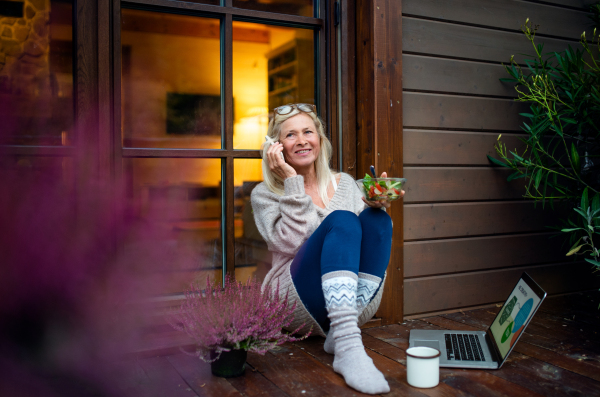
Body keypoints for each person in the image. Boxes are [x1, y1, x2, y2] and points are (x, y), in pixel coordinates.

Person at [250, 103, 404, 394]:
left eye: (308, 131)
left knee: (378, 220)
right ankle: (348, 345)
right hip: (295, 299)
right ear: (276, 146)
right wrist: (292, 184)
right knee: (343, 220)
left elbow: (361, 246)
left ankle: (341, 334)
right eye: (291, 135)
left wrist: (374, 205)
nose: (302, 140)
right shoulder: (265, 194)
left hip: (350, 301)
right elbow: (293, 243)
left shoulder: (346, 184)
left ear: (320, 139)